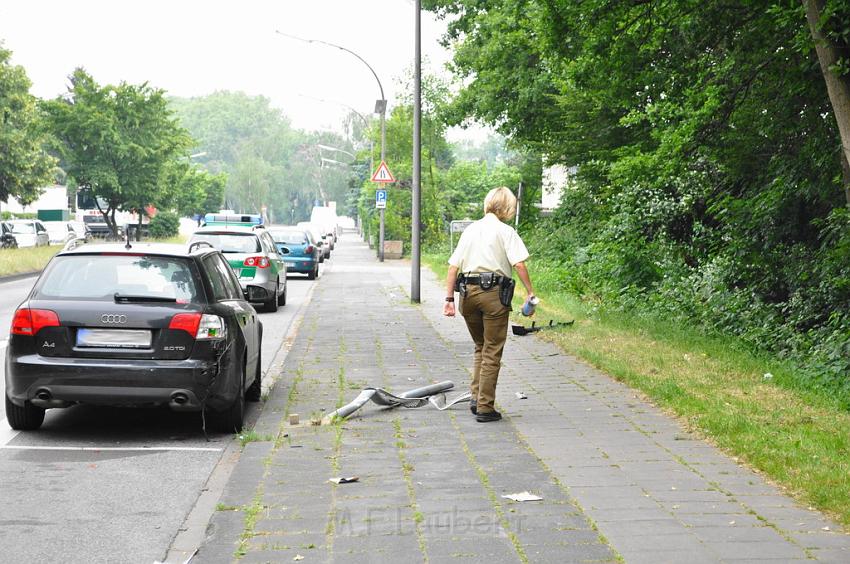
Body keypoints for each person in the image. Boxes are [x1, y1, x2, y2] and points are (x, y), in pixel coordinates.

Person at [443, 187, 536, 422]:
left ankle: (476, 398)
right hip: (493, 294)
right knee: (492, 350)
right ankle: (485, 407)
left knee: (480, 346)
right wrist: (530, 292)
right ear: (507, 207)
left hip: (468, 295)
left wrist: (448, 300)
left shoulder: (470, 230)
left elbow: (453, 267)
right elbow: (520, 264)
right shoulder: (506, 232)